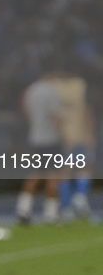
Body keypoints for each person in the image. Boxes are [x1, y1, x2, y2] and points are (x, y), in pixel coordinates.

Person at [15, 71, 63, 224]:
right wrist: (62, 134)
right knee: (52, 175)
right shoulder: (50, 91)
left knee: (36, 173)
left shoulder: (30, 91)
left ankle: (23, 207)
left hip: (35, 138)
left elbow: (25, 112)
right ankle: (51, 212)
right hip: (50, 139)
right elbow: (54, 115)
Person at [50, 69, 96, 221]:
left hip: (67, 135)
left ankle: (69, 205)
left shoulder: (54, 87)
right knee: (81, 166)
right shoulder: (79, 86)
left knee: (67, 169)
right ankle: (78, 200)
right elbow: (86, 110)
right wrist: (89, 132)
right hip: (77, 134)